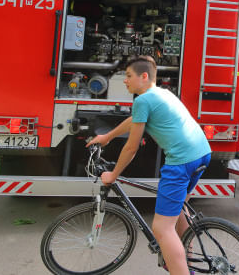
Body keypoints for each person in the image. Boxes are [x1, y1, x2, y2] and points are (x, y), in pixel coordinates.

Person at [87, 56, 211, 275]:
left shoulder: (143, 100)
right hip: (202, 154)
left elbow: (131, 148)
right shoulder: (162, 93)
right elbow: (136, 119)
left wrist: (113, 174)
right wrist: (108, 136)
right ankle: (187, 258)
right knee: (180, 208)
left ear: (144, 77)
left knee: (162, 229)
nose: (124, 81)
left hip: (181, 162)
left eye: (128, 76)